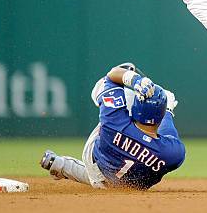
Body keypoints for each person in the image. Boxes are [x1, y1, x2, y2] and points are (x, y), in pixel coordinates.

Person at [40, 63, 185, 190]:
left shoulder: (114, 122)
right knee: (116, 177)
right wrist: (167, 111)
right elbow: (168, 133)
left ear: (136, 108)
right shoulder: (174, 154)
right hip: (128, 185)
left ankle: (59, 164)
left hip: (96, 163)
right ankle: (61, 165)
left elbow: (111, 76)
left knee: (125, 79)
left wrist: (135, 80)